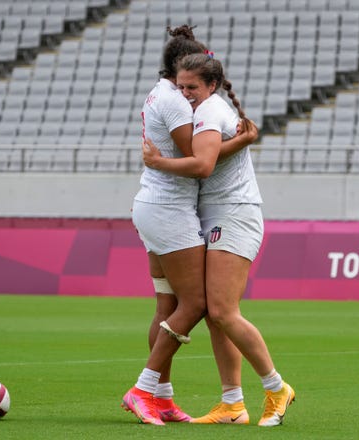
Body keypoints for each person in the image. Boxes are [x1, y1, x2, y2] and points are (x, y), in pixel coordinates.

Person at [142, 52, 295, 427]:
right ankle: (232, 404)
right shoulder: (204, 110)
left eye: (192, 87)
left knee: (223, 311)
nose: (186, 93)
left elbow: (203, 165)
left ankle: (276, 388)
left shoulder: (210, 111)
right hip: (214, 213)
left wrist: (159, 163)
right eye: (181, 87)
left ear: (211, 85)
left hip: (234, 212)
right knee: (213, 315)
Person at [121, 25, 257, 426]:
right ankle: (143, 389)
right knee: (198, 304)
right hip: (169, 210)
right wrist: (244, 140)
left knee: (168, 305)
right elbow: (200, 163)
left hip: (152, 205)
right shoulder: (179, 103)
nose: (188, 90)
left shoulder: (159, 92)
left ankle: (162, 397)